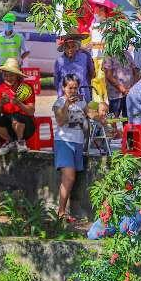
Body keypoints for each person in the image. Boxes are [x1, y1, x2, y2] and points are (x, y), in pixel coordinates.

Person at [53, 74, 89, 220]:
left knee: (71, 179)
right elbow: (60, 121)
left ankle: (64, 211)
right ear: (63, 88)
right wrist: (67, 104)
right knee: (69, 177)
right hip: (64, 141)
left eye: (75, 87)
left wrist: (101, 114)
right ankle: (60, 212)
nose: (73, 90)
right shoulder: (59, 102)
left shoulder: (82, 102)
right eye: (70, 88)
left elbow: (91, 114)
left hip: (78, 142)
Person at [0, 58, 36, 155]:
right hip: (9, 124)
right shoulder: (0, 89)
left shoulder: (26, 88)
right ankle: (11, 141)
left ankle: (20, 141)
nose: (8, 78)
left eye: (11, 75)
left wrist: (18, 103)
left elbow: (31, 111)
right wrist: (1, 103)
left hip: (26, 125)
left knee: (16, 117)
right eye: (6, 75)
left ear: (17, 76)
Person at [54, 33, 95, 103]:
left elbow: (92, 74)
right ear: (64, 48)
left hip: (83, 95)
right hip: (66, 97)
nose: (70, 49)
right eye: (67, 47)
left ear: (76, 47)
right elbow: (57, 81)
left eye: (73, 47)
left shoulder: (84, 57)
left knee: (84, 112)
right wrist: (61, 95)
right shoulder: (59, 61)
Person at [102, 48, 139, 118]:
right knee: (113, 118)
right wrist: (122, 89)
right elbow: (108, 75)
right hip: (116, 95)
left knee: (128, 118)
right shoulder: (109, 55)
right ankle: (114, 129)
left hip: (129, 93)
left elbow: (135, 71)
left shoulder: (127, 54)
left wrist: (133, 88)